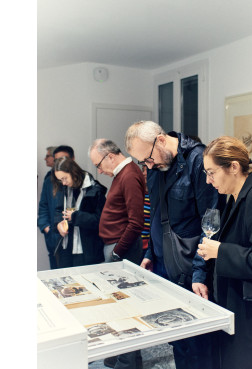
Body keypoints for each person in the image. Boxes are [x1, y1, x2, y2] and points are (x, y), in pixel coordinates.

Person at [125, 120, 226, 369]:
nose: (148, 166)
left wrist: (201, 272)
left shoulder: (197, 161)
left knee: (200, 348)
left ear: (160, 139)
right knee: (178, 341)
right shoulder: (157, 168)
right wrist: (150, 252)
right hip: (165, 267)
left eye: (148, 159)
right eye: (143, 163)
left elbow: (211, 222)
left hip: (193, 269)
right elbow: (157, 217)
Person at [193, 136, 252, 369]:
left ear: (233, 167)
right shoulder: (235, 197)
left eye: (212, 173)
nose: (208, 180)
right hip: (240, 308)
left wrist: (220, 251)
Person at [89, 139, 145, 369]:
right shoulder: (121, 174)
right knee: (116, 306)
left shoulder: (129, 174)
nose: (99, 171)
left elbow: (136, 222)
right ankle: (120, 356)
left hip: (121, 250)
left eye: (99, 164)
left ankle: (127, 363)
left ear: (110, 156)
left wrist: (117, 253)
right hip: (115, 247)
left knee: (125, 309)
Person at [52, 157, 107, 267]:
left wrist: (76, 216)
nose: (63, 183)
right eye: (60, 180)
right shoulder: (64, 188)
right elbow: (58, 211)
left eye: (65, 178)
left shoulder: (95, 190)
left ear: (73, 172)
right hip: (66, 247)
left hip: (87, 250)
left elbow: (100, 221)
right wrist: (58, 225)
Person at [38, 145, 73, 269]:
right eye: (56, 159)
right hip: (53, 237)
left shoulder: (79, 180)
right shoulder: (49, 180)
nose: (59, 163)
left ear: (72, 159)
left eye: (63, 159)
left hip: (72, 238)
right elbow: (43, 205)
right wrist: (46, 227)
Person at [140, 165, 150, 260]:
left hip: (148, 247)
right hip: (136, 245)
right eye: (143, 170)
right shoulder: (138, 193)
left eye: (146, 170)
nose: (144, 173)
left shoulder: (155, 195)